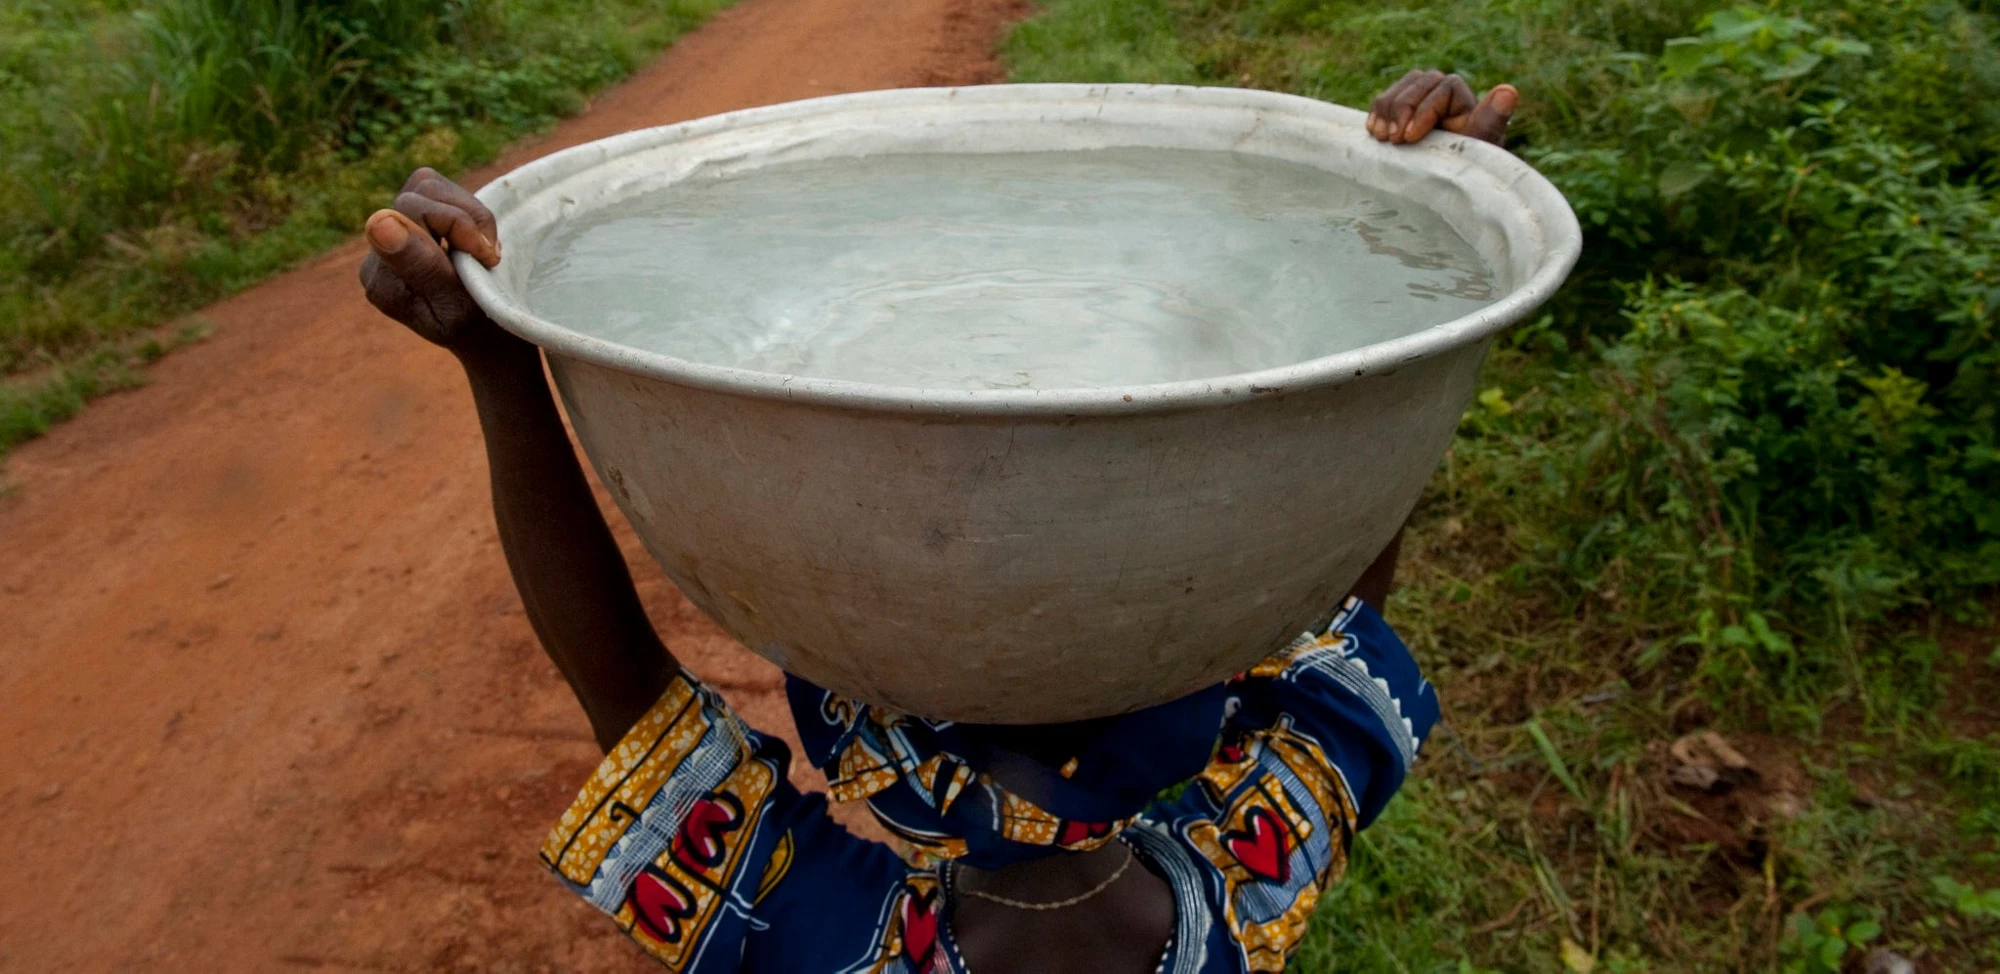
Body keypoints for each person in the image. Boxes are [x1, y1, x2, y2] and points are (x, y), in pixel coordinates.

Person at [358, 70, 1516, 973]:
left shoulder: (812, 937)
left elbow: (622, 686)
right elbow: (1347, 574)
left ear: (863, 740)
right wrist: (1425, 229)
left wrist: (496, 361)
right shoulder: (1256, 875)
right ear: (1200, 678)